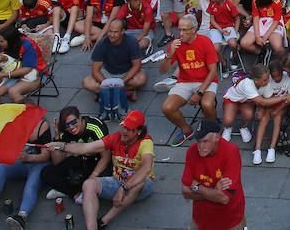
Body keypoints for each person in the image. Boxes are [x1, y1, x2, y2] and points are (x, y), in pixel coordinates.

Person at [47, 109, 155, 230]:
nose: (124, 132)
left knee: (140, 181)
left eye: (129, 130)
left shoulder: (146, 142)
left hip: (140, 187)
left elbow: (146, 168)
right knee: (88, 184)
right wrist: (62, 145)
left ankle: (104, 221)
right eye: (123, 127)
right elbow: (86, 148)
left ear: (139, 132)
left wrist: (123, 188)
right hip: (117, 181)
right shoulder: (116, 137)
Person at [159, 14, 221, 145]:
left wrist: (199, 93)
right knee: (167, 108)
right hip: (185, 81)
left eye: (184, 30)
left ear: (194, 30)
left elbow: (213, 71)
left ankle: (213, 131)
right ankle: (187, 131)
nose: (181, 33)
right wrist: (169, 54)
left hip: (206, 80)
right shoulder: (175, 44)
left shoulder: (205, 42)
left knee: (207, 104)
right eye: (179, 30)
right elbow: (163, 70)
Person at [182, 119, 246, 230]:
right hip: (201, 220)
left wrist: (197, 187)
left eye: (205, 141)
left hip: (229, 222)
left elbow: (224, 198)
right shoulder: (191, 152)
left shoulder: (231, 152)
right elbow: (186, 192)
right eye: (198, 141)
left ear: (217, 137)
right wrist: (213, 191)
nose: (200, 146)